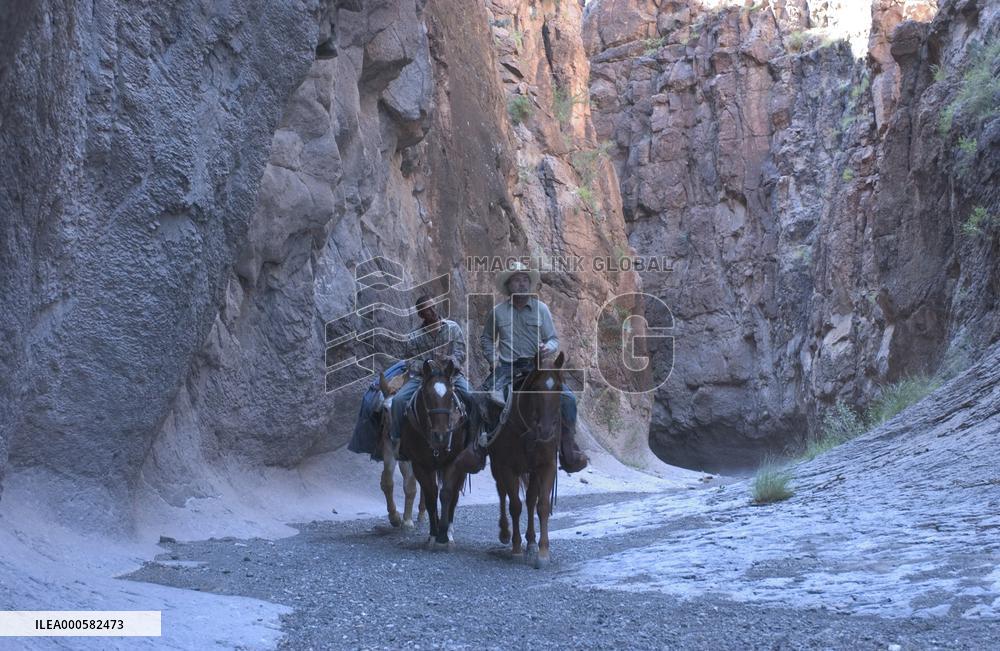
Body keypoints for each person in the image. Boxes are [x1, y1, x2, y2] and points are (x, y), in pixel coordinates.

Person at [454, 262, 589, 474]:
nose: (522, 283)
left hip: (536, 366)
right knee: (476, 398)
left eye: (526, 280)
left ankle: (568, 448)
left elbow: (553, 339)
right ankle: (475, 449)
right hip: (506, 367)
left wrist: (548, 348)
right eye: (517, 280)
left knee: (569, 399)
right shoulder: (498, 312)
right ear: (509, 286)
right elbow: (487, 338)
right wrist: (493, 359)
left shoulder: (541, 309)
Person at [389, 295, 479, 450]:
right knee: (398, 401)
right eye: (427, 309)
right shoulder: (414, 336)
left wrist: (450, 360)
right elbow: (409, 360)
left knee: (472, 397)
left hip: (451, 376)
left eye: (433, 306)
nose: (432, 311)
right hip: (423, 378)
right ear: (421, 314)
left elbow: (461, 353)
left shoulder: (453, 328)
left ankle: (473, 441)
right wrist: (426, 365)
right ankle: (397, 440)